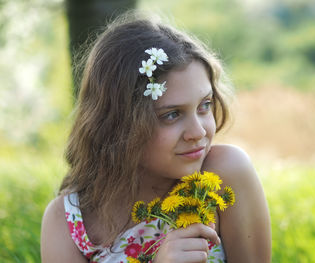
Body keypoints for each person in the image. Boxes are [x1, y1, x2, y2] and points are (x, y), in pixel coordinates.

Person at [41, 13, 271, 263]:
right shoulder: (69, 222)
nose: (199, 132)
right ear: (120, 124)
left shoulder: (223, 175)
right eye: (172, 115)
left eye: (204, 105)